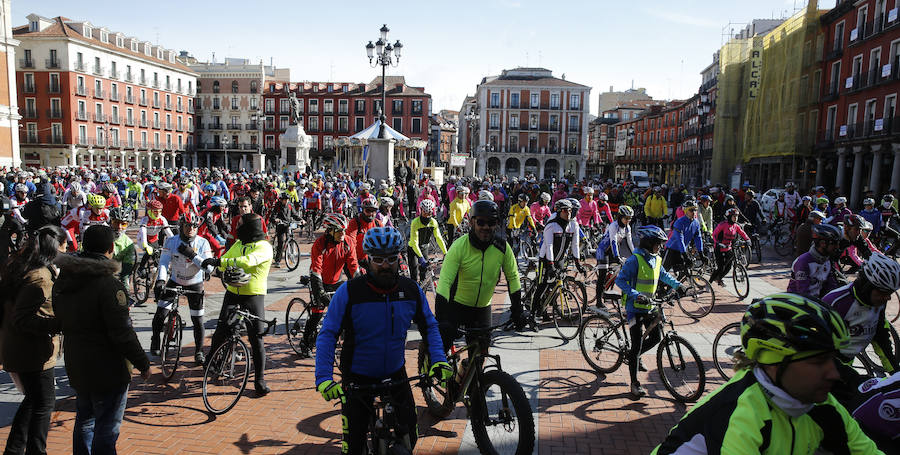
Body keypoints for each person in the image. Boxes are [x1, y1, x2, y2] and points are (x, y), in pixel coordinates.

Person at [651, 293, 880, 455]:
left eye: (832, 360)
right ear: (774, 362)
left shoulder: (821, 403)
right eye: (818, 362)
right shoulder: (739, 414)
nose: (834, 373)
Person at [314, 227, 450, 455]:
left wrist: (438, 358)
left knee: (411, 437)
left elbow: (429, 326)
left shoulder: (411, 290)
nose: (385, 265)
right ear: (367, 259)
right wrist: (324, 378)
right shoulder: (349, 292)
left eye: (391, 258)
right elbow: (328, 335)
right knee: (354, 447)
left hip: (395, 373)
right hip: (357, 376)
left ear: (400, 258)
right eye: (378, 259)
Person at [53, 224, 151, 455]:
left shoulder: (65, 279)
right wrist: (142, 362)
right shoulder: (109, 284)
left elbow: (58, 315)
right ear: (110, 249)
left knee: (85, 419)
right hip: (108, 367)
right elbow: (122, 332)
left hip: (77, 360)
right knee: (107, 427)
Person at [0, 225, 66, 454]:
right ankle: (35, 450)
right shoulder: (40, 278)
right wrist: (59, 324)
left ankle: (15, 449)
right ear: (55, 248)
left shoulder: (22, 265)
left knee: (34, 401)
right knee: (44, 403)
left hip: (19, 347)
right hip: (31, 351)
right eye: (65, 246)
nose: (67, 250)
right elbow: (22, 319)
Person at [435, 200, 524, 346]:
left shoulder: (502, 247)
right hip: (456, 307)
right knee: (441, 351)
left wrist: (517, 309)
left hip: (483, 308)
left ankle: (467, 368)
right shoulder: (459, 247)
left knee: (480, 355)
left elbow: (513, 277)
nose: (486, 227)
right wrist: (442, 318)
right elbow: (445, 282)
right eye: (481, 222)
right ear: (471, 222)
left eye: (491, 223)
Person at [203, 213, 273, 395]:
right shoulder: (239, 243)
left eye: (241, 224)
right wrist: (216, 263)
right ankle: (211, 358)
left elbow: (248, 261)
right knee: (221, 328)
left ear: (251, 227)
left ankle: (259, 380)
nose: (237, 227)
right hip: (233, 292)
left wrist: (221, 261)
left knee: (256, 338)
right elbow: (228, 256)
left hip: (253, 295)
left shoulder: (264, 247)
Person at [822, 253, 900, 402]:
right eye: (883, 293)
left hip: (847, 362)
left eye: (889, 293)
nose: (887, 298)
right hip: (826, 366)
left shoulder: (878, 302)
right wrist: (851, 378)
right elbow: (819, 350)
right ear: (866, 286)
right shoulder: (837, 303)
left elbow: (880, 338)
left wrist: (895, 372)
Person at [616, 225, 681, 398]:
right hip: (634, 309)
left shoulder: (656, 258)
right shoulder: (634, 260)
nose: (660, 247)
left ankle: (633, 356)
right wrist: (635, 295)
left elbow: (664, 275)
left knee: (656, 337)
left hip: (650, 306)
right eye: (658, 244)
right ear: (649, 242)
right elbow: (620, 280)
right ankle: (634, 383)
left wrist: (679, 286)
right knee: (636, 344)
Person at [151, 214, 212, 365]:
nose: (191, 229)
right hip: (175, 281)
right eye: (187, 226)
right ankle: (155, 338)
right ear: (181, 226)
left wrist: (192, 255)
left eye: (194, 226)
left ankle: (198, 350)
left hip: (195, 283)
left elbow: (209, 268)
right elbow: (164, 263)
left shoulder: (203, 243)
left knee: (197, 320)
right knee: (160, 313)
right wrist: (160, 280)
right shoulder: (171, 241)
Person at [301, 213, 359, 357]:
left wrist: (361, 286)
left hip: (336, 281)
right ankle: (305, 342)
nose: (342, 234)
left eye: (344, 230)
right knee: (317, 313)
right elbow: (316, 269)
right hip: (318, 280)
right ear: (330, 231)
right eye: (339, 231)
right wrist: (320, 292)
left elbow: (353, 267)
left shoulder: (348, 242)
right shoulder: (320, 244)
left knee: (347, 310)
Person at [532, 199, 584, 317]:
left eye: (570, 210)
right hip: (546, 258)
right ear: (559, 211)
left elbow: (575, 245)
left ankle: (548, 306)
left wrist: (578, 263)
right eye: (565, 210)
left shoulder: (574, 224)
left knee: (556, 284)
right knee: (542, 286)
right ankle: (532, 315)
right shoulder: (552, 224)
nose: (569, 213)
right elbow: (549, 245)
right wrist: (550, 265)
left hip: (560, 258)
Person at [788, 223, 844, 299]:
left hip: (815, 301)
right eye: (834, 243)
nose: (837, 247)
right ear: (822, 243)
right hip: (797, 302)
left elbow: (831, 285)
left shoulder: (827, 260)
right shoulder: (803, 262)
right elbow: (803, 291)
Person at [663, 200, 705, 281]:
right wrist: (685, 255)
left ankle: (672, 289)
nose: (694, 212)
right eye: (691, 210)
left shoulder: (696, 223)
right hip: (671, 250)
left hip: (681, 251)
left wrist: (701, 253)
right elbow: (680, 240)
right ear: (686, 210)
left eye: (695, 210)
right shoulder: (679, 222)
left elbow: (698, 238)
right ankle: (660, 289)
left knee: (684, 272)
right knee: (662, 273)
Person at [709, 207, 751, 287]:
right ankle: (709, 283)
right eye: (734, 216)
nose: (736, 218)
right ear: (729, 217)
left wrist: (747, 239)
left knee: (728, 267)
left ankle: (719, 279)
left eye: (737, 216)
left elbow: (742, 233)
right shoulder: (722, 225)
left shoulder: (736, 226)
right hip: (719, 248)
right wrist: (718, 243)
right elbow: (714, 234)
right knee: (720, 267)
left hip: (728, 248)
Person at [109, 207, 136, 306]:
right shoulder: (103, 236)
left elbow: (125, 273)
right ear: (110, 222)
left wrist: (126, 293)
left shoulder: (128, 243)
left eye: (123, 224)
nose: (119, 227)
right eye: (116, 223)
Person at [347, 198, 383, 266]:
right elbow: (351, 243)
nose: (371, 214)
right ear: (363, 210)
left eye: (374, 211)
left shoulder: (378, 223)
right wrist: (356, 264)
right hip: (355, 258)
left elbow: (386, 241)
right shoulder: (355, 222)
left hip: (370, 258)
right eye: (368, 211)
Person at [269, 192, 298, 267]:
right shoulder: (277, 206)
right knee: (280, 243)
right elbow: (273, 216)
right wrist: (276, 219)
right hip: (280, 226)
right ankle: (277, 261)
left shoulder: (290, 205)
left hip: (288, 225)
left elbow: (294, 214)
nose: (286, 201)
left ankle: (291, 254)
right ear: (281, 200)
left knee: (290, 239)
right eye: (284, 200)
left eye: (287, 199)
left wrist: (301, 220)